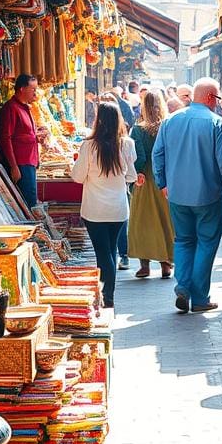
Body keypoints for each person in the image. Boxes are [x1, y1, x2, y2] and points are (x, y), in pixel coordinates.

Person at [152, 77, 222, 313]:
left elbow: (157, 154)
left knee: (183, 240)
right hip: (207, 195)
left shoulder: (170, 121)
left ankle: (183, 286)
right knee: (207, 243)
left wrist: (163, 183)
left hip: (177, 195)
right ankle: (199, 298)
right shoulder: (216, 123)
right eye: (218, 98)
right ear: (211, 97)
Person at [70, 100, 137, 309]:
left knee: (103, 253)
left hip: (95, 210)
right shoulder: (126, 144)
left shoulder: (88, 146)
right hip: (118, 209)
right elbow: (131, 175)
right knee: (111, 252)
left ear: (98, 121)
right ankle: (108, 295)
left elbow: (78, 177)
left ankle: (107, 296)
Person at [128, 90, 174, 279]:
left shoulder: (138, 130)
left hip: (144, 178)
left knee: (143, 222)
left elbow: (138, 155)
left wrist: (136, 173)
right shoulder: (168, 126)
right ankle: (166, 264)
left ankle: (144, 265)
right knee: (165, 220)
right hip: (164, 178)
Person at [0, 74, 43, 208]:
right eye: (33, 89)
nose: (35, 93)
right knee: (27, 203)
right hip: (21, 163)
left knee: (30, 201)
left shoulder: (25, 107)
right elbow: (6, 138)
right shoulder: (11, 108)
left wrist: (37, 136)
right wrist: (14, 166)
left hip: (29, 161)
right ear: (22, 89)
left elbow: (25, 133)